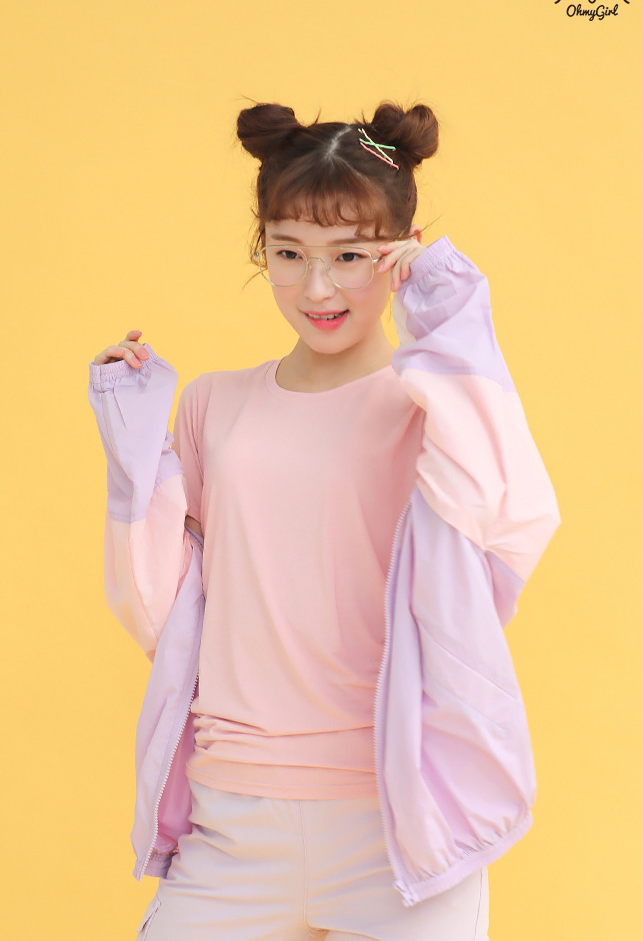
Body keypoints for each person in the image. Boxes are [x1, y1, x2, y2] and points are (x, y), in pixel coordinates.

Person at [88, 101, 560, 941]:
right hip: (234, 821)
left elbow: (504, 510)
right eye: (288, 254)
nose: (316, 288)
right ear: (261, 249)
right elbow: (156, 609)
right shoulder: (213, 406)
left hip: (396, 823)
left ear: (399, 254)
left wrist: (442, 302)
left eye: (348, 256)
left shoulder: (427, 407)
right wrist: (132, 444)